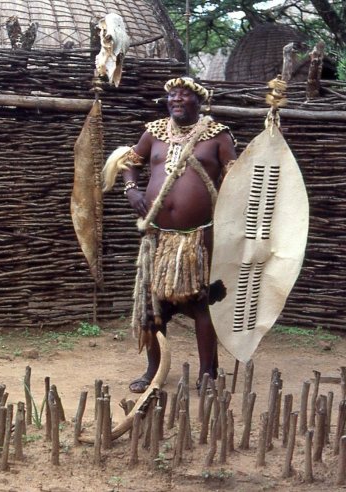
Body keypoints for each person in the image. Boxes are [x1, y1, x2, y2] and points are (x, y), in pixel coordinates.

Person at [102, 77, 237, 392]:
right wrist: (131, 188)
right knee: (153, 304)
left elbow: (237, 177)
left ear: (199, 102)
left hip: (199, 238)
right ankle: (153, 370)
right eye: (172, 95)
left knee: (203, 304)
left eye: (184, 95)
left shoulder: (218, 136)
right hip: (158, 237)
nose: (176, 99)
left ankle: (208, 374)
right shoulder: (154, 132)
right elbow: (129, 161)